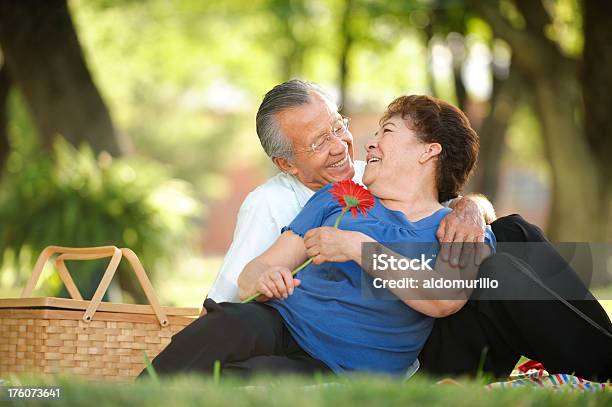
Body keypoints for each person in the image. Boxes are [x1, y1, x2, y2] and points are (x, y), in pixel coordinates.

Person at [140, 94, 494, 378]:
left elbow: (444, 298)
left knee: (238, 381)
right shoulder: (338, 194)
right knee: (232, 321)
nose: (368, 145)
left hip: (335, 366)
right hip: (281, 322)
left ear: (428, 151)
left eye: (385, 132)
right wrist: (264, 277)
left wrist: (358, 247)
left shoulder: (463, 230)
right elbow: (253, 274)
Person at [205, 79, 495, 306]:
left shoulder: (369, 175)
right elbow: (226, 297)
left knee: (512, 235)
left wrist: (469, 207)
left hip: (402, 324)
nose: (339, 145)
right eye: (319, 143)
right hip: (304, 339)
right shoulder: (267, 203)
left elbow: (438, 202)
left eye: (337, 127)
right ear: (286, 163)